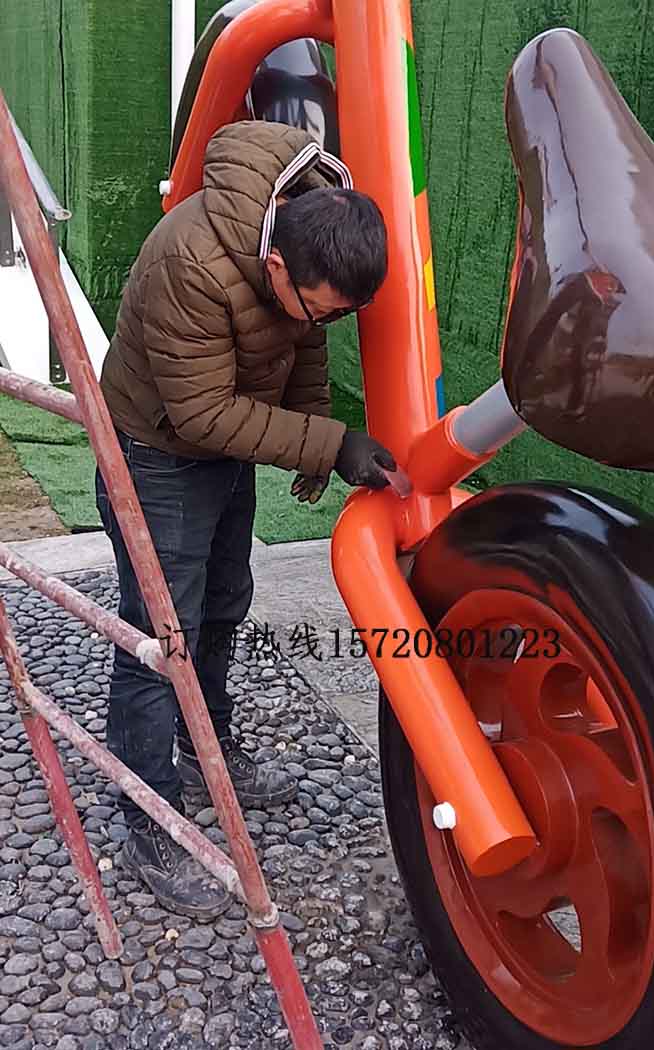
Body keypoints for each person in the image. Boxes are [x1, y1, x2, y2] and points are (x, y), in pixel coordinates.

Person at [94, 120, 395, 918]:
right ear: (276, 265)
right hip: (157, 452)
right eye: (321, 307)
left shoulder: (305, 238)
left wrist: (312, 436)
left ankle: (206, 749)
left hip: (222, 444)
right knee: (161, 638)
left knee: (225, 603)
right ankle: (149, 815)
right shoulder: (189, 261)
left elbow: (304, 341)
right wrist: (330, 444)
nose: (323, 322)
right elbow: (200, 414)